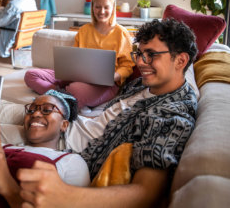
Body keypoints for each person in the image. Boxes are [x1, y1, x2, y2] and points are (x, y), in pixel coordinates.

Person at [14, 18, 199, 207]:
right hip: (73, 123)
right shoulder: (143, 84)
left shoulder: (171, 115)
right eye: (139, 54)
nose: (141, 63)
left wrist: (65, 195)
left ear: (181, 60)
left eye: (150, 55)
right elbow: (113, 117)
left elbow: (145, 192)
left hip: (64, 145)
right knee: (3, 108)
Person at [24, 0, 134, 111]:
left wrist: (114, 76)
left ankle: (62, 95)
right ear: (92, 7)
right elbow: (75, 57)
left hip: (106, 84)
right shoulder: (84, 30)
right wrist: (69, 71)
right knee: (31, 75)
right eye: (98, 7)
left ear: (113, 8)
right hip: (78, 77)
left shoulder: (121, 33)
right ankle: (61, 95)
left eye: (106, 7)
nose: (102, 11)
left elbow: (127, 66)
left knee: (75, 89)